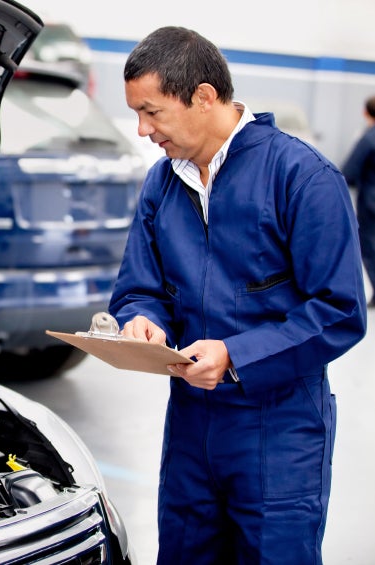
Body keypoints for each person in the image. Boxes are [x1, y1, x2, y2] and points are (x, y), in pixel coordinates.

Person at [108, 26, 367, 564]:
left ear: (203, 96)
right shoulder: (162, 183)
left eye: (152, 112)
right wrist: (142, 320)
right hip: (190, 424)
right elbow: (139, 286)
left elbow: (339, 310)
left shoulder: (302, 178)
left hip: (278, 429)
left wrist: (236, 357)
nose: (141, 129)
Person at [341, 95, 375, 307]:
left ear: (365, 113)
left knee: (370, 246)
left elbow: (349, 172)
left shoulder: (368, 139)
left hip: (371, 203)